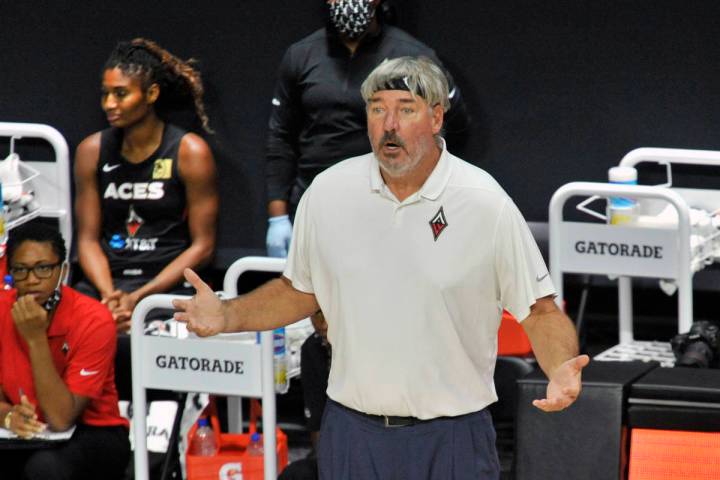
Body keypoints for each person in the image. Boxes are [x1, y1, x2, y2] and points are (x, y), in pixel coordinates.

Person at [175, 57, 589, 480]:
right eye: (377, 108)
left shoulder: (484, 202)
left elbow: (539, 310)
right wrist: (227, 315)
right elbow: (297, 291)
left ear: (436, 117)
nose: (389, 124)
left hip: (452, 436)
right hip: (353, 431)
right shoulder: (329, 192)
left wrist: (559, 367)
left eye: (406, 108)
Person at [265, 0, 469, 257]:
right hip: (314, 202)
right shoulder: (301, 54)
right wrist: (278, 219)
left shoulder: (412, 56)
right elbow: (280, 136)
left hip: (388, 206)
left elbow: (453, 125)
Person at [74, 37, 218, 332]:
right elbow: (87, 239)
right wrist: (109, 297)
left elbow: (203, 246)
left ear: (151, 93)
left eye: (121, 94)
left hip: (166, 285)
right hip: (107, 284)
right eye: (105, 95)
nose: (109, 104)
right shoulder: (91, 151)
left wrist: (141, 297)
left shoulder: (190, 152)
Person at [0, 222, 130, 479]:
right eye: (21, 270)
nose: (32, 279)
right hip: (25, 432)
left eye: (44, 268)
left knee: (44, 467)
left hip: (93, 431)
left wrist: (36, 338)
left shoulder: (93, 319)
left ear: (63, 270)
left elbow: (61, 418)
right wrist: (7, 416)